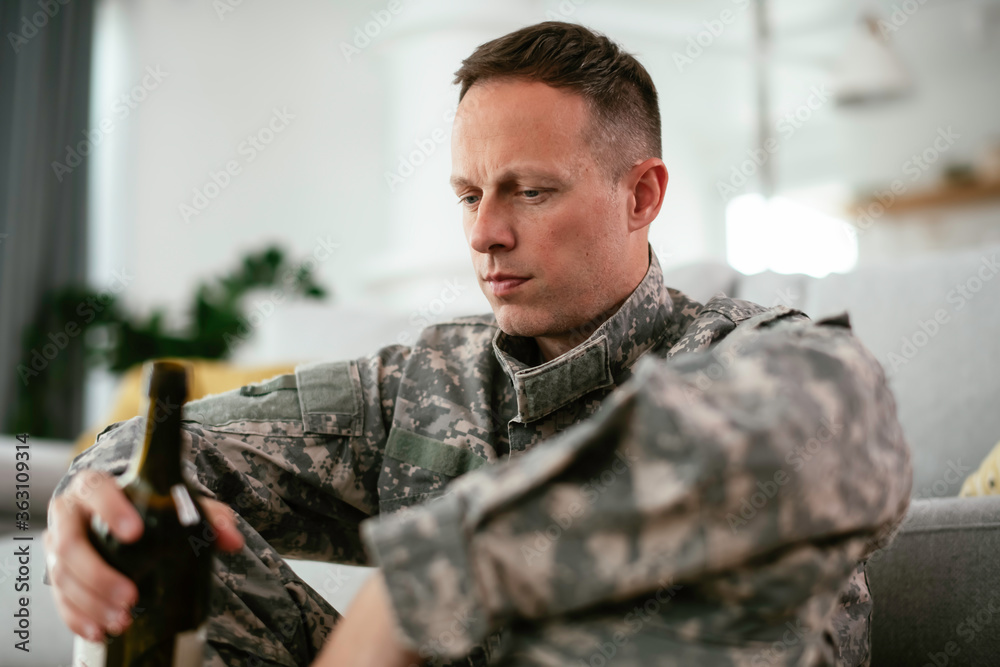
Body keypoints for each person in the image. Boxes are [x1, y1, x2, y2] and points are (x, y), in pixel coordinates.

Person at [44, 21, 912, 667]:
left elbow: (850, 420)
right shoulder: (424, 379)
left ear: (641, 195)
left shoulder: (747, 354)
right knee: (159, 536)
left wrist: (437, 574)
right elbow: (158, 447)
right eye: (468, 196)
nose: (486, 233)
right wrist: (91, 503)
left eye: (530, 191)